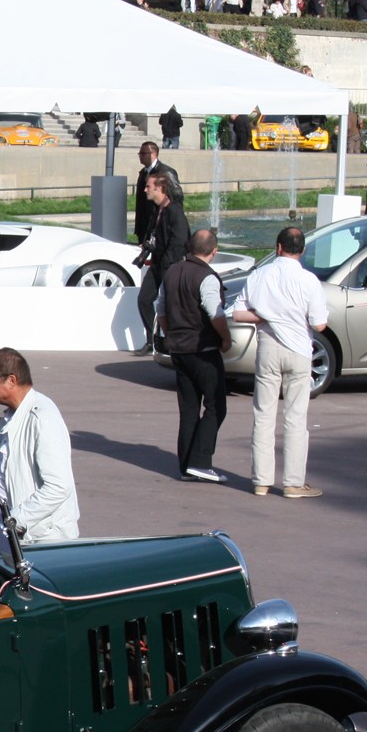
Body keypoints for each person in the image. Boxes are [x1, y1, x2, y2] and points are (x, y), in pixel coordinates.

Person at [233, 227, 328, 498]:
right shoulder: (310, 281)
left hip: (268, 349)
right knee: (295, 417)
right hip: (298, 350)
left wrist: (264, 317)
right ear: (303, 250)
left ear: (278, 247)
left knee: (263, 414)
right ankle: (293, 483)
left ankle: (261, 481)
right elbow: (319, 324)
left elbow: (239, 313)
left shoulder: (259, 275)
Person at [0, 347, 79, 543]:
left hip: (43, 541)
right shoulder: (11, 417)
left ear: (11, 380)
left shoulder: (42, 418)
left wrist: (14, 521)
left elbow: (58, 487)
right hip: (14, 535)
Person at [155, 228, 232, 483]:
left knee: (188, 409)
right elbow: (215, 312)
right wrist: (225, 338)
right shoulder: (207, 277)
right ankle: (200, 462)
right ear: (214, 251)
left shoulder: (172, 272)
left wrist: (171, 334)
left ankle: (185, 466)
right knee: (215, 406)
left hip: (178, 350)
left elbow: (161, 309)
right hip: (203, 350)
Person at [134, 171, 189, 354]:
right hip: (158, 263)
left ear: (160, 188)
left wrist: (167, 266)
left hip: (169, 266)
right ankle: (153, 340)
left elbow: (179, 242)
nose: (144, 190)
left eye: (148, 186)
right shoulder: (158, 210)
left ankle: (173, 342)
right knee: (144, 300)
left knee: (171, 306)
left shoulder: (174, 211)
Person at [132, 141, 179, 247]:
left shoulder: (166, 172)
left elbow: (177, 197)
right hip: (144, 227)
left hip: (158, 227)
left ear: (153, 154)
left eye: (143, 153)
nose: (140, 156)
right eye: (139, 153)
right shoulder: (143, 173)